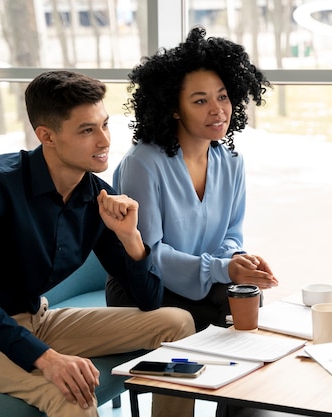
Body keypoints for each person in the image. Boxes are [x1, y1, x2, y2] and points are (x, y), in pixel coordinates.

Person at [0, 70, 196, 417]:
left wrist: (130, 237)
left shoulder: (95, 197)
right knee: (70, 394)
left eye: (105, 125)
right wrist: (46, 358)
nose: (104, 141)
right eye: (87, 130)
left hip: (36, 319)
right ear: (46, 135)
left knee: (177, 322)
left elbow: (149, 300)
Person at [106, 26, 278, 332]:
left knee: (245, 297)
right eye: (200, 101)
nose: (217, 110)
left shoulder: (231, 163)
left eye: (223, 97)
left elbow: (231, 235)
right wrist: (221, 269)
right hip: (145, 286)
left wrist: (239, 264)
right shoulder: (142, 163)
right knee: (219, 314)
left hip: (202, 279)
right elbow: (150, 253)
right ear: (173, 109)